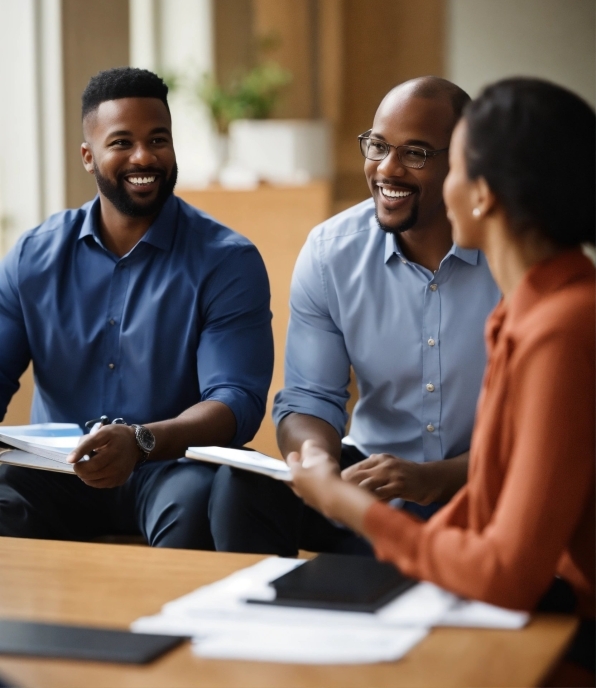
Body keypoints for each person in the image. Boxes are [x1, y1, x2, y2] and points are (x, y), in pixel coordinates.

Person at [289, 78, 595, 671]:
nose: (389, 173)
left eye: (441, 163)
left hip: (570, 626)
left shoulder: (563, 327)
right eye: (378, 147)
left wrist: (349, 507)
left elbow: (507, 575)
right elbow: (486, 498)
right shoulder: (525, 310)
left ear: (482, 193)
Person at [210, 76, 501, 556]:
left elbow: (544, 443)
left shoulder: (507, 254)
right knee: (240, 490)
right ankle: (263, 627)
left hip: (483, 482)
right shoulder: (331, 254)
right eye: (378, 146)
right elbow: (309, 397)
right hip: (373, 478)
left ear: (463, 163)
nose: (388, 169)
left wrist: (432, 479)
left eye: (415, 153)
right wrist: (322, 468)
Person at [0, 67, 273, 549]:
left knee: (197, 508)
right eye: (122, 142)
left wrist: (142, 440)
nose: (144, 157)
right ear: (89, 156)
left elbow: (236, 400)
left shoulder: (227, 260)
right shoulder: (33, 256)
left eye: (158, 140)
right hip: (57, 471)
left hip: (169, 466)